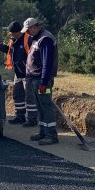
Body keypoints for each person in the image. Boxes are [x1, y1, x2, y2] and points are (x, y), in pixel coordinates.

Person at [23, 17, 60, 145]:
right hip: (34, 79)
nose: (27, 33)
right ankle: (43, 132)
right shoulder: (36, 38)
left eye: (28, 30)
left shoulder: (46, 39)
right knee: (40, 106)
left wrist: (44, 83)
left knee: (46, 106)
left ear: (34, 27)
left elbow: (47, 63)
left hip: (42, 80)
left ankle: (51, 135)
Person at [0, 21, 31, 125]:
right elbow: (8, 50)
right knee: (17, 95)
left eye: (11, 33)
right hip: (18, 73)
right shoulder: (13, 40)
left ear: (17, 32)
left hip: (27, 73)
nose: (10, 34)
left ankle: (31, 119)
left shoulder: (27, 39)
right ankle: (20, 116)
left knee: (29, 96)